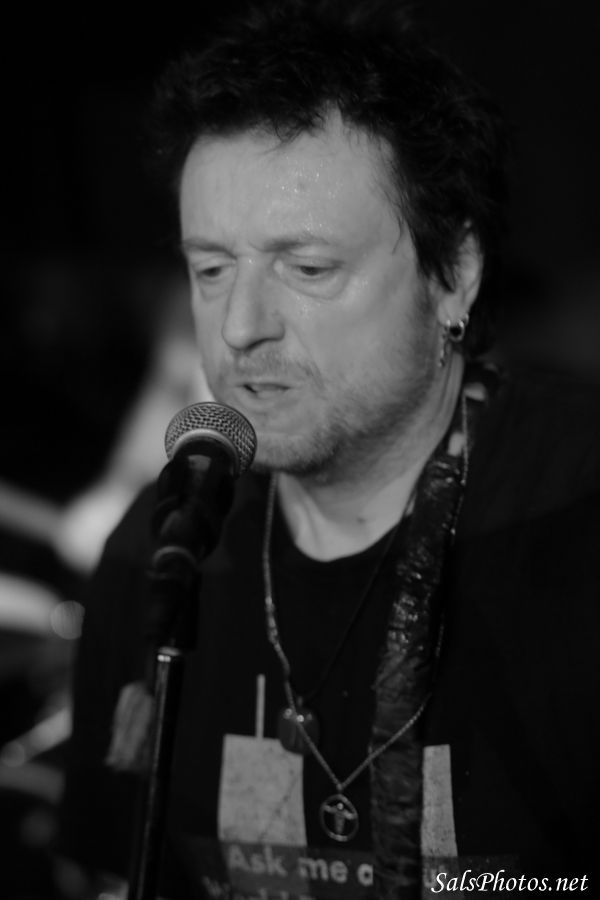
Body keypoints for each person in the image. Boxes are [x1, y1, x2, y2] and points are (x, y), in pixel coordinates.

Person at [58, 2, 600, 898]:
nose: (240, 327)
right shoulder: (166, 555)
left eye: (307, 269)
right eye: (211, 269)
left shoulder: (574, 517)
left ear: (454, 273)